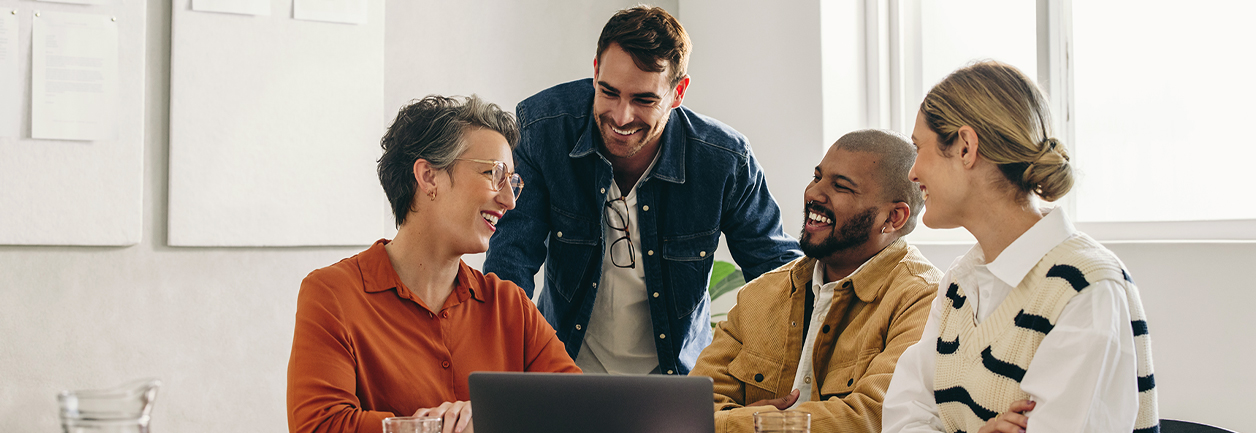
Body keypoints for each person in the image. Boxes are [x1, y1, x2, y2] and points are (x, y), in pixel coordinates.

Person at [483, 5, 802, 376]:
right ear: (595, 73)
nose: (621, 117)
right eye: (609, 92)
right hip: (565, 373)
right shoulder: (544, 129)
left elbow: (780, 279)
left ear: (678, 92)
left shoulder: (725, 160)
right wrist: (505, 380)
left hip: (675, 382)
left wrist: (766, 381)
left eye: (644, 100)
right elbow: (511, 264)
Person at [881, 61, 1158, 433]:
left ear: (965, 147)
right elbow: (901, 418)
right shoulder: (959, 285)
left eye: (920, 148)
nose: (912, 172)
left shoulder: (1086, 289)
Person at [286, 95, 580, 433]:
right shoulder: (332, 295)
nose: (510, 200)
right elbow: (320, 426)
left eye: (513, 182)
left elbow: (577, 412)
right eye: (494, 174)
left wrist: (486, 416)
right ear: (428, 177)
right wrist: (441, 427)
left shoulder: (510, 306)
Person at [689, 130, 940, 433]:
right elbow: (694, 411)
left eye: (841, 187)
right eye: (817, 177)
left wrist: (756, 424)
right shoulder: (760, 294)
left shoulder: (924, 299)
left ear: (894, 217)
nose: (813, 194)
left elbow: (872, 417)